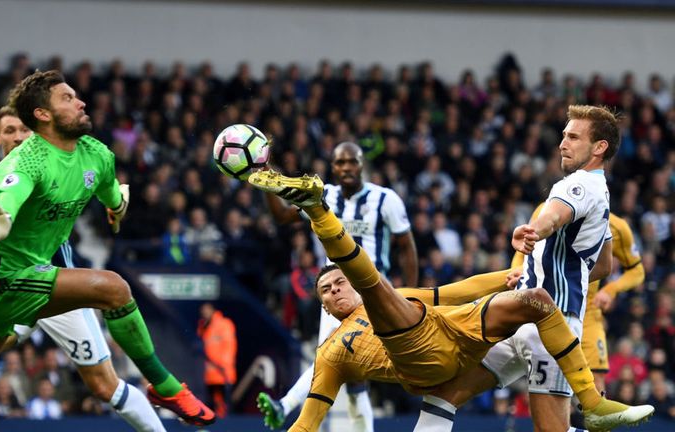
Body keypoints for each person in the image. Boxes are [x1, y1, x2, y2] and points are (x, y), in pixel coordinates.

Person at [0, 70, 215, 427]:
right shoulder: (26, 160)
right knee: (113, 289)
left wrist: (117, 207)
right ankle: (164, 385)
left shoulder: (96, 155)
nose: (81, 101)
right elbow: (7, 197)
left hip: (29, 277)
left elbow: (113, 195)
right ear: (43, 114)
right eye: (67, 98)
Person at [247, 167, 653, 432]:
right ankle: (318, 210)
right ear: (322, 306)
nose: (336, 290)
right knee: (371, 280)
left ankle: (593, 404)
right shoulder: (332, 353)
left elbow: (453, 292)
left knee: (534, 300)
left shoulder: (399, 296)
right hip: (417, 356)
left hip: (455, 331)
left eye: (338, 283)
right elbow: (310, 419)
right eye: (326, 290)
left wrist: (508, 277)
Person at [0, 106, 168, 432]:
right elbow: (4, 220)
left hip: (59, 292)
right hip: (17, 287)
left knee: (106, 387)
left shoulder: (54, 164)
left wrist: (116, 201)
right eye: (9, 131)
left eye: (23, 130)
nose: (17, 137)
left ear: (35, 131)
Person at [414, 105, 629, 432]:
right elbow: (604, 264)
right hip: (521, 318)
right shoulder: (601, 193)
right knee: (442, 396)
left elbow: (553, 217)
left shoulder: (580, 184)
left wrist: (533, 231)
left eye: (573, 136)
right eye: (563, 135)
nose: (562, 143)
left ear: (599, 147)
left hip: (550, 326)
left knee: (550, 429)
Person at [257, 141, 418, 431]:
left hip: (372, 290)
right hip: (333, 290)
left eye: (352, 162)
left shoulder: (386, 199)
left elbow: (406, 246)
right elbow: (282, 217)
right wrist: (266, 177)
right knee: (350, 374)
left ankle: (286, 405)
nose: (346, 168)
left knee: (332, 358)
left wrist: (412, 293)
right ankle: (287, 407)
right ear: (332, 167)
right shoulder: (324, 194)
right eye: (340, 163)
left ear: (361, 165)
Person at [511, 207, 645, 395]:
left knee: (595, 378)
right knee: (541, 372)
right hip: (547, 302)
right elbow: (523, 250)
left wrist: (610, 290)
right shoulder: (547, 210)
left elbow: (637, 271)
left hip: (587, 310)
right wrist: (518, 271)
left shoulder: (617, 227)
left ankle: (595, 422)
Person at [197, 302, 237, 418]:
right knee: (210, 406)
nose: (204, 313)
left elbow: (229, 347)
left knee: (224, 408)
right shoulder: (203, 326)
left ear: (212, 310)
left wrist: (223, 366)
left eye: (207, 310)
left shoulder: (224, 324)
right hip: (209, 375)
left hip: (222, 373)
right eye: (203, 311)